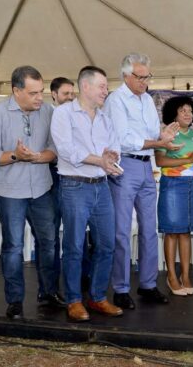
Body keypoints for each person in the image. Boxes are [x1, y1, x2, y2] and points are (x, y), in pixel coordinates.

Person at [0, 65, 60, 319]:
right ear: (16, 91)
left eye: (42, 92)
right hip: (9, 192)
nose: (40, 98)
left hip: (41, 189)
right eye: (33, 93)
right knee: (13, 247)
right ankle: (14, 300)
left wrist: (37, 157)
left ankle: (48, 293)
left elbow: (54, 149)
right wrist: (16, 155)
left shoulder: (48, 111)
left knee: (48, 243)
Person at [105, 53, 180, 310]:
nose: (145, 82)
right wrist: (158, 142)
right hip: (124, 164)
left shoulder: (147, 99)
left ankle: (148, 284)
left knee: (150, 228)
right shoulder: (115, 100)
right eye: (141, 77)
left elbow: (150, 132)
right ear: (126, 75)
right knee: (122, 230)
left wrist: (164, 134)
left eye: (148, 76)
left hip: (147, 166)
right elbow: (124, 138)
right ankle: (121, 288)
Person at [51, 66, 123, 322]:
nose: (106, 91)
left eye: (106, 86)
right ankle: (74, 300)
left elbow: (114, 147)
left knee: (106, 245)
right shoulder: (63, 113)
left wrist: (112, 158)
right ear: (86, 87)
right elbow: (67, 150)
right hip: (74, 186)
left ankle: (97, 297)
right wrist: (99, 160)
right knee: (74, 246)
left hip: (101, 186)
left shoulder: (105, 118)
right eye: (102, 86)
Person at [155, 96, 193, 296]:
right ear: (173, 114)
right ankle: (171, 276)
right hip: (172, 184)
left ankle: (185, 276)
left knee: (186, 232)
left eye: (190, 110)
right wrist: (190, 158)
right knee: (172, 231)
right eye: (183, 110)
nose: (188, 114)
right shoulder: (166, 134)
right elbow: (160, 161)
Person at [34, 77, 75, 306]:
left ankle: (77, 284)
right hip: (51, 178)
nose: (70, 97)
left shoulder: (80, 116)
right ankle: (48, 289)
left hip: (74, 179)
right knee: (49, 236)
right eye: (65, 93)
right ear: (54, 95)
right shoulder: (47, 116)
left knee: (76, 232)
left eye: (72, 93)